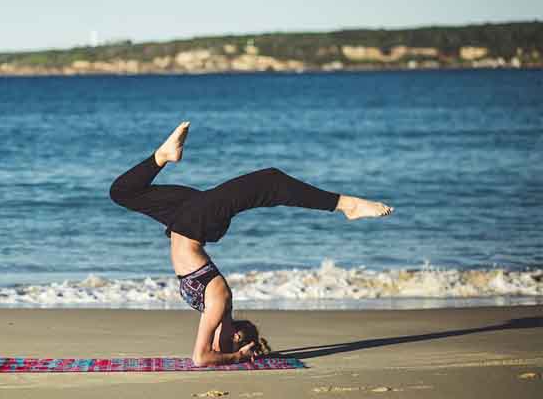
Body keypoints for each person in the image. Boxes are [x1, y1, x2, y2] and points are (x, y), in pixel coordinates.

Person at [109, 121, 394, 367]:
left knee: (122, 192)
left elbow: (201, 357)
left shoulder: (217, 303)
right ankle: (346, 205)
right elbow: (207, 353)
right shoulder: (219, 302)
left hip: (187, 220)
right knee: (270, 181)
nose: (228, 338)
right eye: (234, 340)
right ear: (235, 337)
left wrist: (237, 357)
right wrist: (242, 354)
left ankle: (163, 156)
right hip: (193, 223)